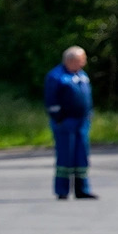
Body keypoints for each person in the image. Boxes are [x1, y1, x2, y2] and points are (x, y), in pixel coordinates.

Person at [45, 45, 97, 200]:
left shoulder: (82, 75)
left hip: (82, 122)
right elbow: (51, 100)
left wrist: (89, 114)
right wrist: (59, 118)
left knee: (82, 156)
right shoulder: (57, 76)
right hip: (65, 122)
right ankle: (62, 190)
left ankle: (82, 189)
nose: (84, 63)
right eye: (81, 60)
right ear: (71, 60)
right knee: (65, 156)